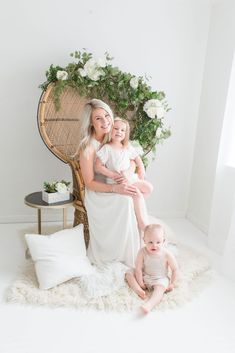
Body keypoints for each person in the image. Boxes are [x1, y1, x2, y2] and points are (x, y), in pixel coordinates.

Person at [78, 99, 143, 268]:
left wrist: (128, 173)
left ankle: (134, 250)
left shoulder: (113, 135)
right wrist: (115, 188)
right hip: (98, 192)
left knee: (132, 193)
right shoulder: (88, 148)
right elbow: (90, 183)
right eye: (98, 118)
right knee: (124, 199)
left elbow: (132, 158)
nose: (105, 121)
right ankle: (115, 255)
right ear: (91, 123)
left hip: (116, 183)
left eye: (107, 115)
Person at [95, 117, 153, 231]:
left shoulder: (127, 147)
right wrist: (112, 175)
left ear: (126, 133)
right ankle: (142, 223)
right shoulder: (107, 148)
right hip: (118, 182)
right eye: (116, 128)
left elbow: (137, 159)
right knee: (137, 193)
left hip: (130, 178)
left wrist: (141, 169)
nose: (119, 132)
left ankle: (135, 210)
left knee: (149, 188)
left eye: (122, 130)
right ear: (110, 129)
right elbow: (98, 166)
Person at [125, 224, 179, 314]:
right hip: (144, 275)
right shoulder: (142, 252)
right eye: (150, 242)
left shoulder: (167, 254)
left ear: (163, 241)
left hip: (159, 278)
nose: (154, 245)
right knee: (129, 273)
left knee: (160, 289)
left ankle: (149, 304)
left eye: (158, 242)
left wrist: (172, 283)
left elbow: (175, 269)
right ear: (144, 240)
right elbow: (138, 268)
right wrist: (140, 283)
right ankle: (138, 290)